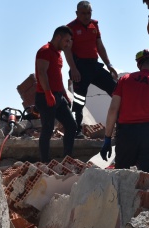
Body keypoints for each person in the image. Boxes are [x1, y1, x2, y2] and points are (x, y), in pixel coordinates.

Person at [100, 49, 149, 175]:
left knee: (121, 176)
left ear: (139, 64)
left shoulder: (125, 80)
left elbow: (113, 110)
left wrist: (107, 138)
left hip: (126, 134)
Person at [64, 1, 118, 138]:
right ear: (77, 13)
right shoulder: (70, 28)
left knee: (116, 90)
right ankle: (76, 130)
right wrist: (74, 69)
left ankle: (123, 124)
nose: (86, 16)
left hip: (95, 65)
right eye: (83, 13)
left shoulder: (95, 25)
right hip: (80, 67)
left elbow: (100, 46)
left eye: (89, 13)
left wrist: (109, 65)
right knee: (79, 99)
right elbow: (67, 51)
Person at [35, 26, 77, 163]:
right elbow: (41, 73)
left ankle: (67, 159)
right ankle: (45, 162)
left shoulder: (58, 54)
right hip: (45, 96)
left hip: (58, 96)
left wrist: (65, 94)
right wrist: (48, 93)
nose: (67, 44)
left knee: (71, 125)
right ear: (58, 37)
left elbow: (57, 77)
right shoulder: (45, 51)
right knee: (48, 129)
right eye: (66, 41)